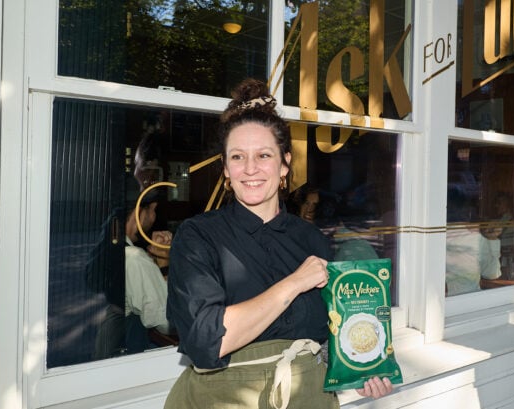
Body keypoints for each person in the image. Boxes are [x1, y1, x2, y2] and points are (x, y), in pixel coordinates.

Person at [164, 79, 393, 409]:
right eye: (238, 157)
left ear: (285, 164)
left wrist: (359, 371)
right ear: (226, 168)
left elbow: (330, 335)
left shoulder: (312, 239)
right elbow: (205, 341)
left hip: (309, 397)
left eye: (264, 155)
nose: (250, 169)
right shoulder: (198, 236)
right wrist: (294, 283)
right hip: (225, 399)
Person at [123, 178, 175, 353]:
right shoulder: (135, 258)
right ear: (140, 211)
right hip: (131, 356)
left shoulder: (108, 247)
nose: (153, 218)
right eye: (153, 210)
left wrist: (152, 263)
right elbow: (167, 322)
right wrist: (164, 264)